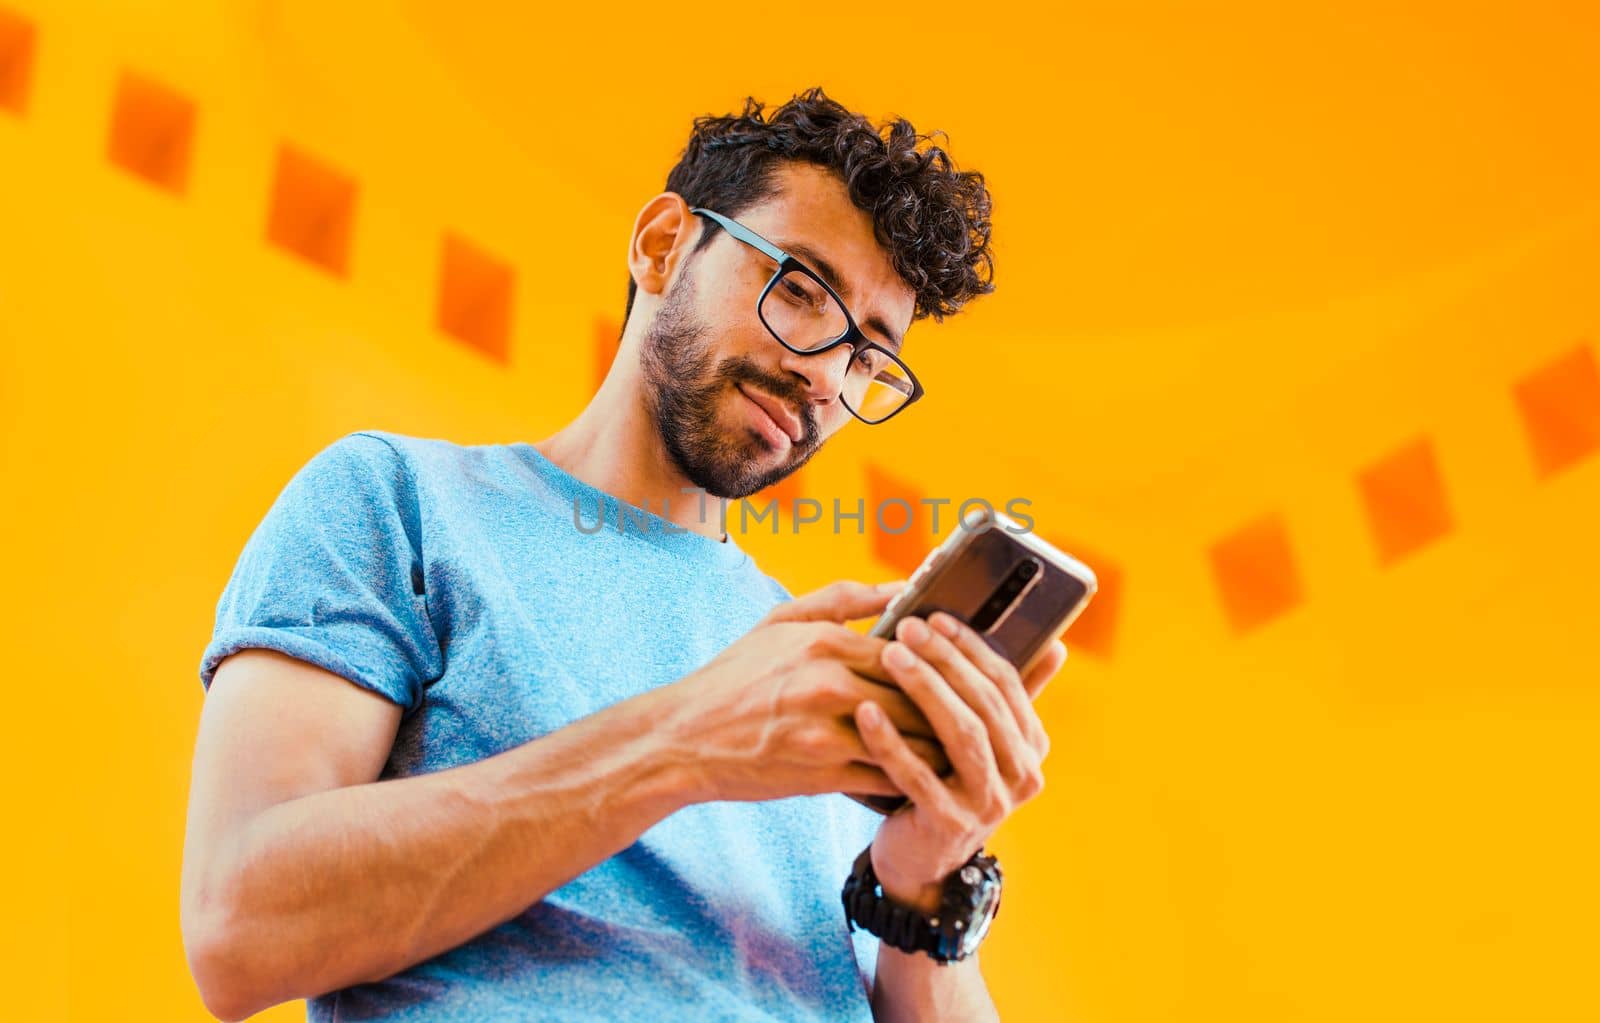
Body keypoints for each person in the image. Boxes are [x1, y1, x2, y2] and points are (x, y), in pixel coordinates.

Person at [181, 87, 1067, 1023]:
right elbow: (240, 927)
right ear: (661, 245)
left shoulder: (819, 668)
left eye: (865, 357)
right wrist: (688, 741)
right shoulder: (398, 502)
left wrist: (926, 890)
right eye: (801, 290)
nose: (822, 370)